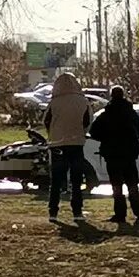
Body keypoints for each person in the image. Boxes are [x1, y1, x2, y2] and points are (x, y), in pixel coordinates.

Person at [89, 86, 139, 225]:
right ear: (123, 95)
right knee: (133, 184)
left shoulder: (106, 114)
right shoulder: (131, 113)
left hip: (112, 154)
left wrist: (105, 139)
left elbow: (94, 132)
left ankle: (120, 214)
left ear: (111, 96)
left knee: (116, 186)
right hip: (129, 154)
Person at [44, 73, 91, 223]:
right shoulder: (83, 101)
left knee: (56, 181)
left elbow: (46, 120)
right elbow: (88, 121)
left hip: (57, 144)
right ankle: (77, 212)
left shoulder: (54, 102)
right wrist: (81, 134)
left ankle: (53, 212)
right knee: (76, 181)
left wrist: (52, 134)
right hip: (76, 144)